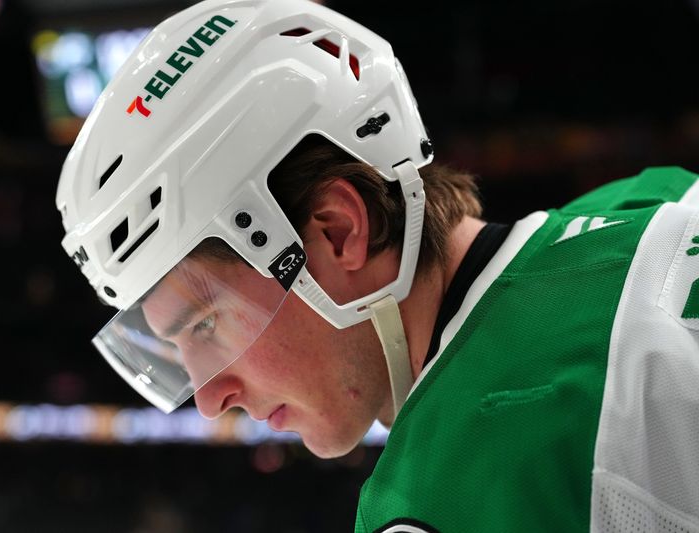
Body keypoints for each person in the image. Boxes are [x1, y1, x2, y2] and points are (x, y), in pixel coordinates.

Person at [55, 0, 699, 531]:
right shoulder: (652, 198)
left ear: (338, 233)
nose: (207, 398)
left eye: (205, 324)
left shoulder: (448, 495)